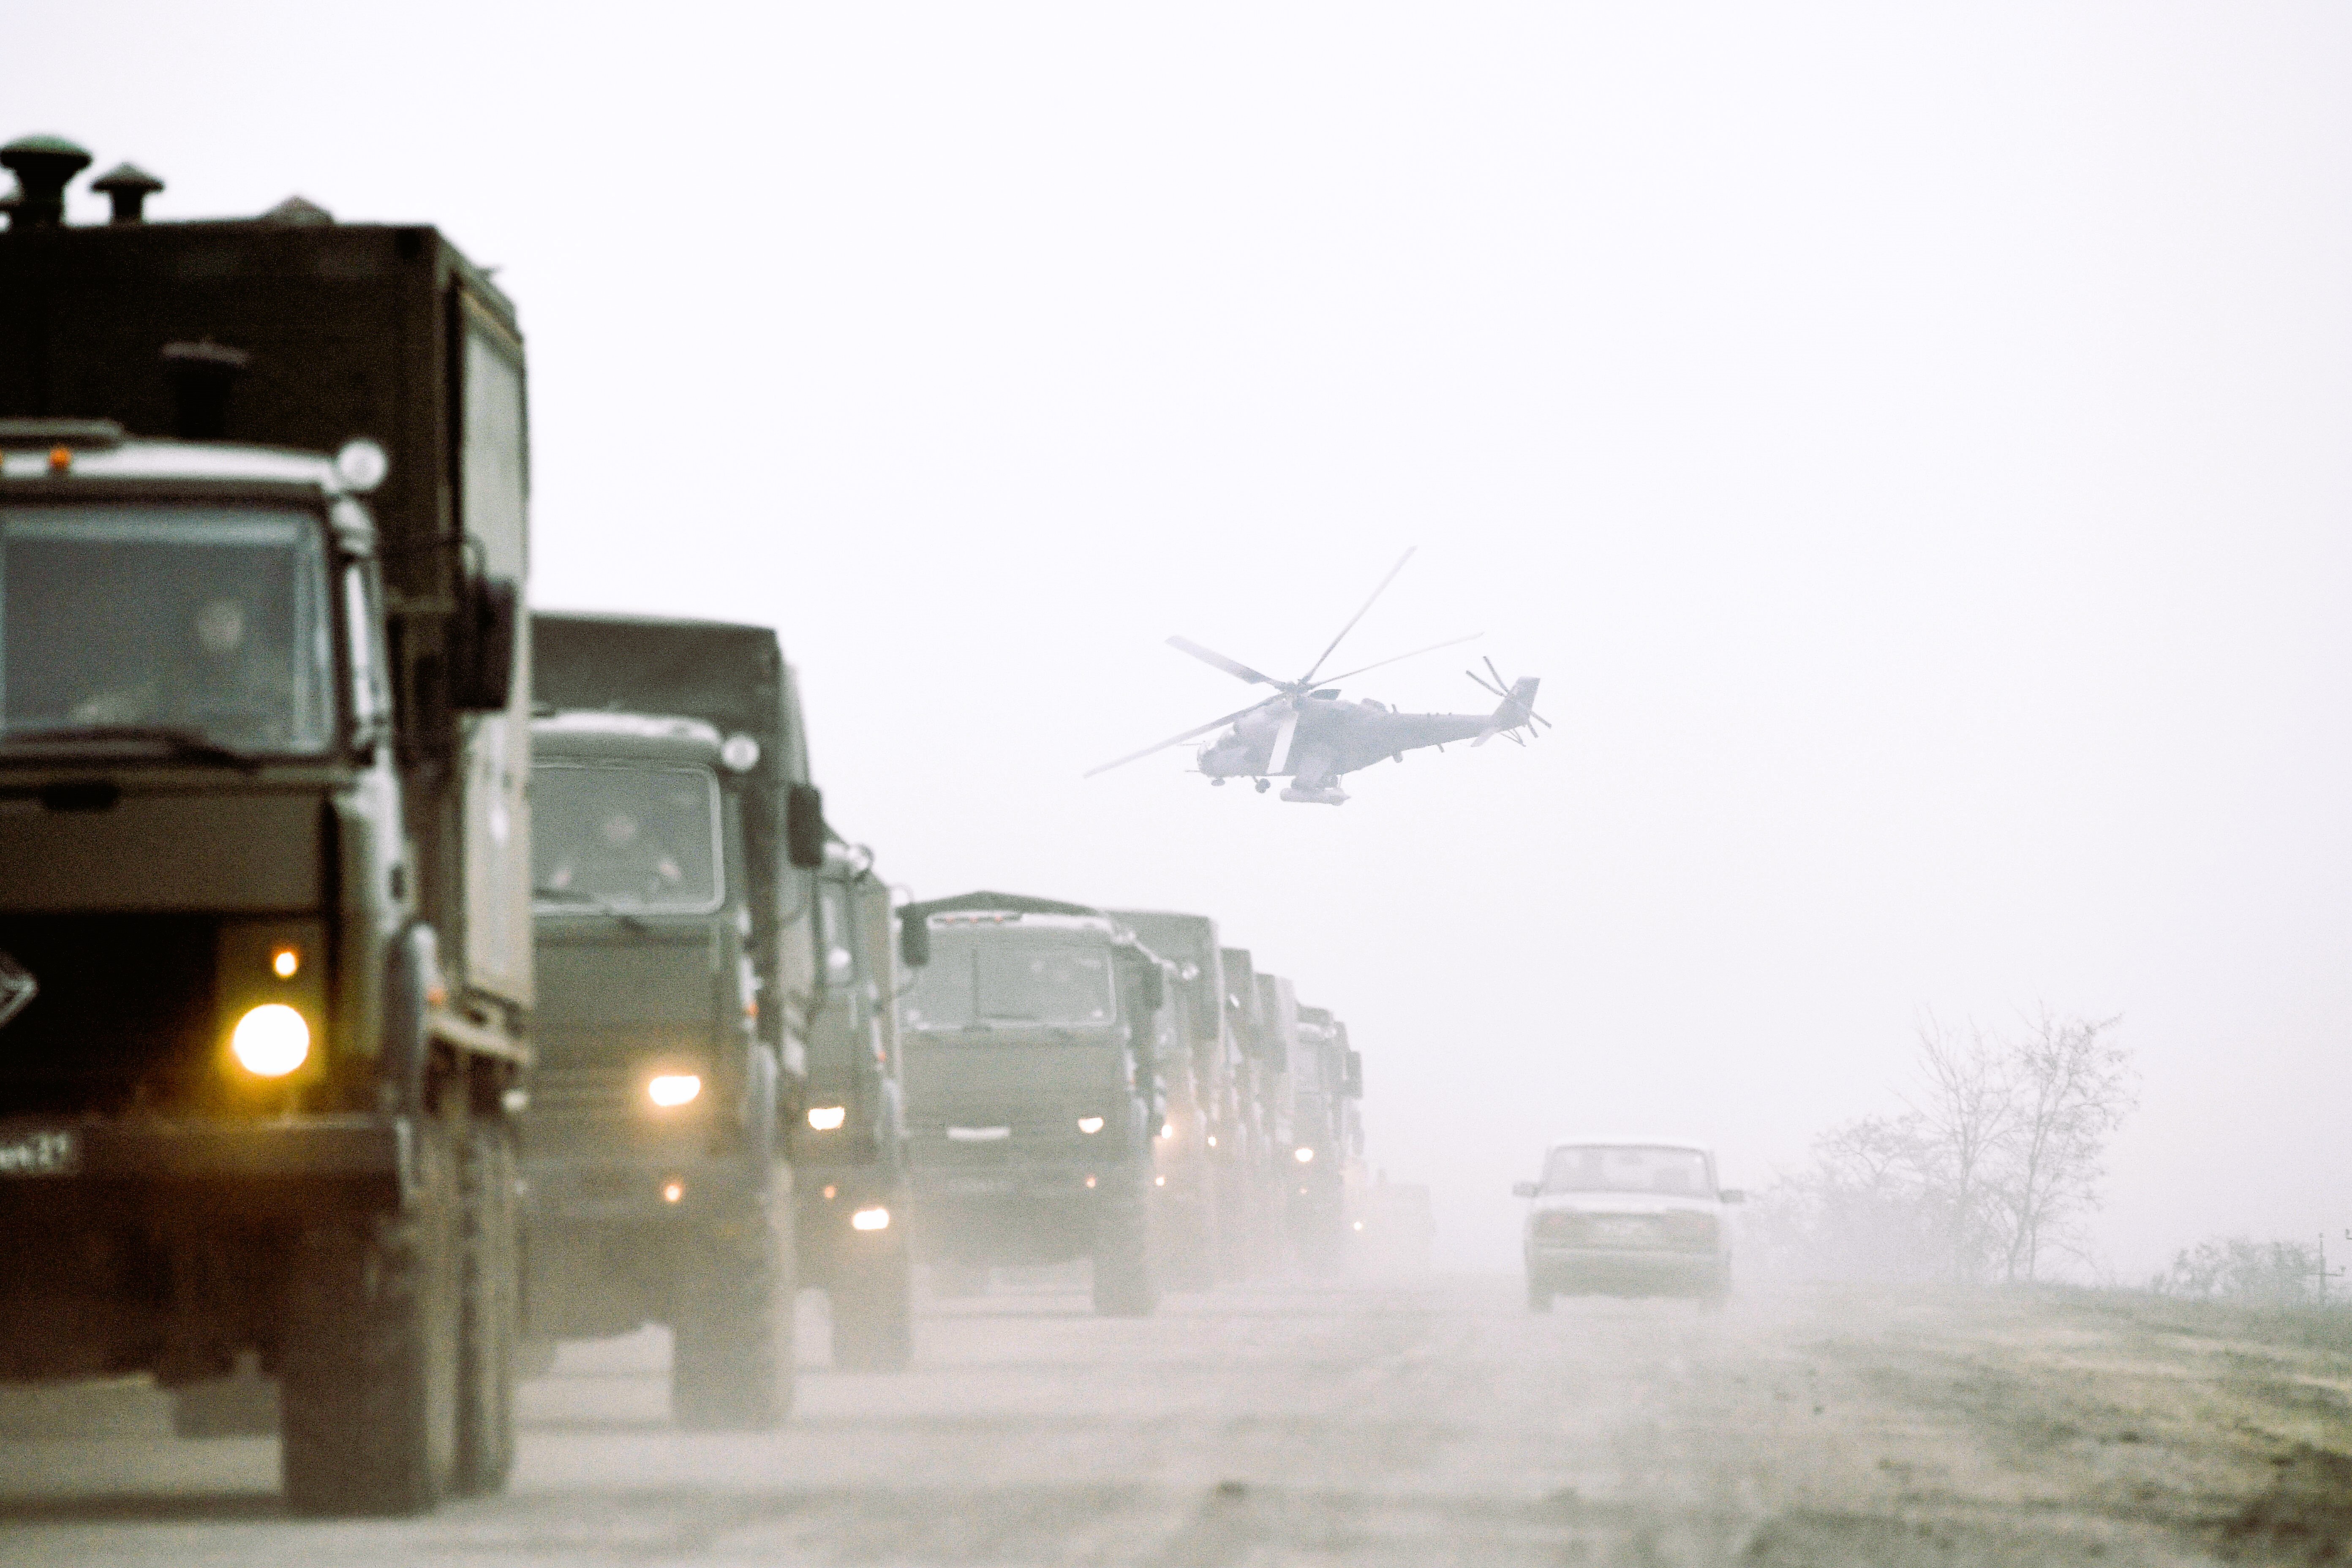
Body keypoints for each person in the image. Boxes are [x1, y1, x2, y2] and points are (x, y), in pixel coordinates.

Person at [74, 593, 297, 747]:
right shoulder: (175, 672)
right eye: (210, 618)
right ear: (197, 624)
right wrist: (104, 709)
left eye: (228, 617)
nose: (219, 627)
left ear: (243, 623)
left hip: (258, 768)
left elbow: (300, 714)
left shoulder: (274, 671)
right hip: (188, 766)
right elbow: (140, 699)